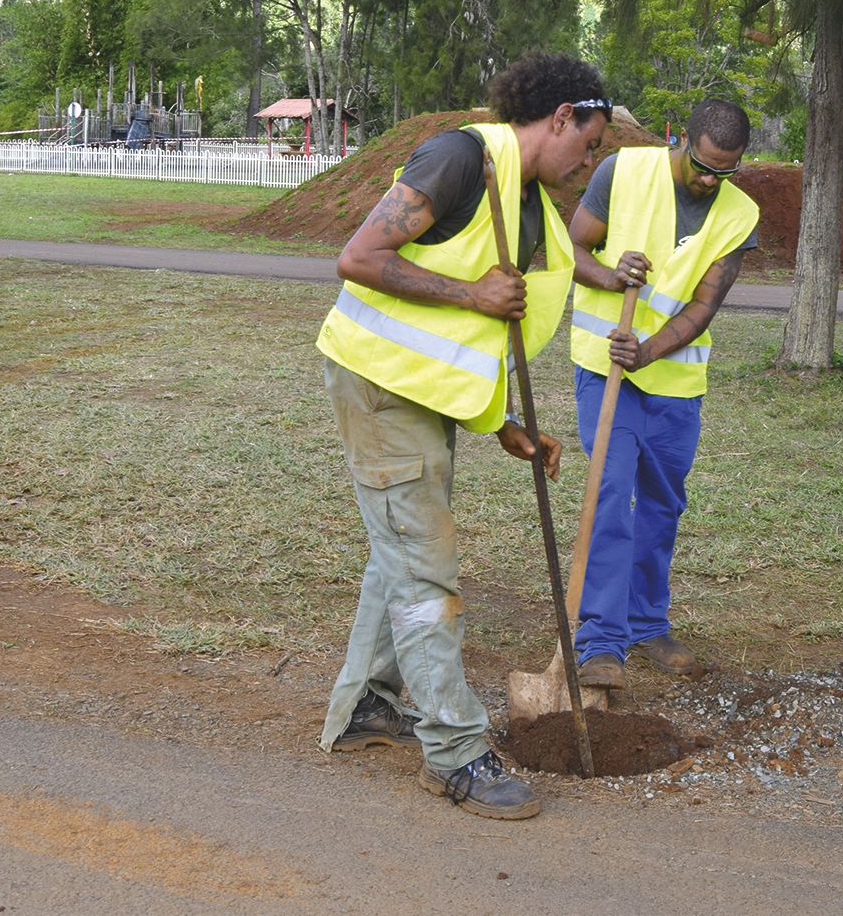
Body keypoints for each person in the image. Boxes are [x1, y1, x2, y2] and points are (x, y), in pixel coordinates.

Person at [314, 54, 612, 821]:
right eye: (590, 140)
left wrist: (503, 424)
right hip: (379, 387)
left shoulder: (526, 198)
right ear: (558, 118)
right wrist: (472, 291)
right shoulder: (458, 158)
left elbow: (462, 340)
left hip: (420, 395)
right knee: (423, 568)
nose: (591, 159)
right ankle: (452, 752)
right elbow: (359, 258)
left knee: (403, 551)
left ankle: (364, 709)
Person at [567, 98, 761, 689]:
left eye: (724, 172)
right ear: (683, 141)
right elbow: (566, 250)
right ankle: (600, 640)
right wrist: (609, 274)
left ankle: (647, 622)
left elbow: (704, 306)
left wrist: (650, 351)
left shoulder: (739, 215)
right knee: (611, 494)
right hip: (607, 374)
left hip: (675, 384)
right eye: (702, 165)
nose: (710, 180)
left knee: (661, 505)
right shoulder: (621, 171)